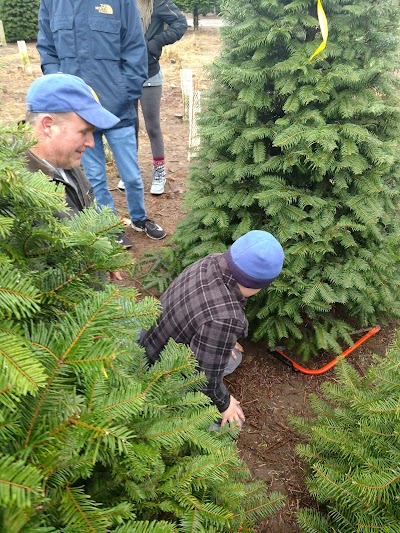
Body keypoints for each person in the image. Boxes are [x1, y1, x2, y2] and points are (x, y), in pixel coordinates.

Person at [36, 0, 166, 243]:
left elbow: (135, 50)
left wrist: (122, 93)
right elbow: (47, 50)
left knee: (131, 175)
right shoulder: (52, 3)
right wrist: (65, 93)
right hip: (78, 114)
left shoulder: (121, 2)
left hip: (117, 110)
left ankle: (139, 219)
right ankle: (109, 226)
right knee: (95, 177)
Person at [140, 230, 285, 427]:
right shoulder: (226, 318)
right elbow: (204, 376)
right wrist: (224, 403)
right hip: (159, 372)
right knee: (231, 425)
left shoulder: (211, 261)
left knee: (234, 356)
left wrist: (225, 341)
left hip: (151, 339)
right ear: (259, 285)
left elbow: (201, 310)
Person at [24, 72, 123, 280]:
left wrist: (102, 254)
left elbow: (86, 215)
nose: (91, 143)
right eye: (84, 132)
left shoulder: (65, 161)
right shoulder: (17, 192)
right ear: (48, 125)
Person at [118, 0, 188, 196]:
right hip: (125, 73)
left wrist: (156, 42)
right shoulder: (123, 4)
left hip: (150, 73)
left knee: (152, 126)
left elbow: (180, 24)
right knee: (129, 124)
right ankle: (130, 172)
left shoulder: (159, 4)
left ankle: (159, 172)